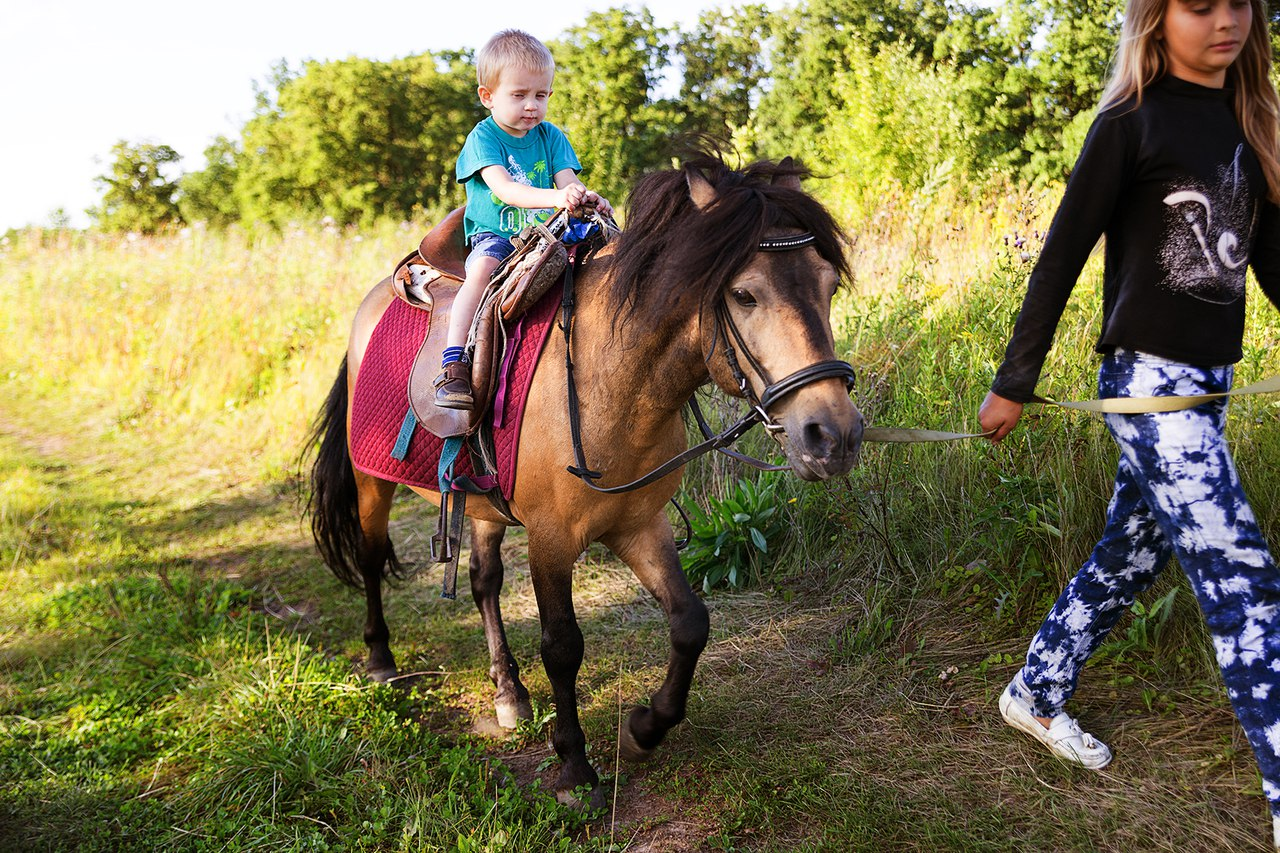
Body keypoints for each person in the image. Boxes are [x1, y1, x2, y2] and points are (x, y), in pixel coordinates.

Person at [977, 0, 1280, 844]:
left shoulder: (1249, 123)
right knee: (1244, 582)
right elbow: (1061, 256)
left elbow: (1275, 261)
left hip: (1210, 387)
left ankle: (1034, 694)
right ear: (1156, 18)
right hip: (1146, 386)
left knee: (1129, 555)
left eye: (1240, 3)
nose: (1227, 20)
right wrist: (1014, 381)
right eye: (1200, 4)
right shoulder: (1130, 122)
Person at [435, 29, 612, 410]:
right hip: (498, 233)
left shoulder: (551, 136)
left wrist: (588, 199)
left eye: (541, 95)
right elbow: (506, 190)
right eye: (519, 95)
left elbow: (569, 182)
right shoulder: (483, 139)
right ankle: (453, 363)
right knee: (481, 272)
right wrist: (559, 197)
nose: (532, 105)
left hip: (545, 235)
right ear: (488, 96)